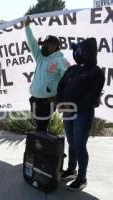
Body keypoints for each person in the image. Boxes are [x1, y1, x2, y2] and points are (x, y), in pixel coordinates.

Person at [57, 38, 105, 191]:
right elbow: (61, 84)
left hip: (83, 114)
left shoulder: (97, 72)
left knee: (79, 144)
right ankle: (71, 170)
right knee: (71, 142)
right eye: (76, 50)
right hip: (68, 113)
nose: (76, 53)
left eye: (79, 50)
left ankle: (82, 178)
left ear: (88, 52)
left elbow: (91, 97)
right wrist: (60, 102)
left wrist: (71, 107)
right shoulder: (73, 69)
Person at [24, 16, 70, 132]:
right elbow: (32, 44)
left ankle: (42, 149)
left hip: (47, 102)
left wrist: (59, 97)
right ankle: (41, 149)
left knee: (41, 129)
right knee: (40, 128)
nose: (43, 46)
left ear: (55, 46)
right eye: (44, 44)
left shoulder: (61, 61)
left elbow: (69, 80)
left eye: (47, 44)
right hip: (35, 99)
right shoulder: (40, 58)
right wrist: (27, 27)